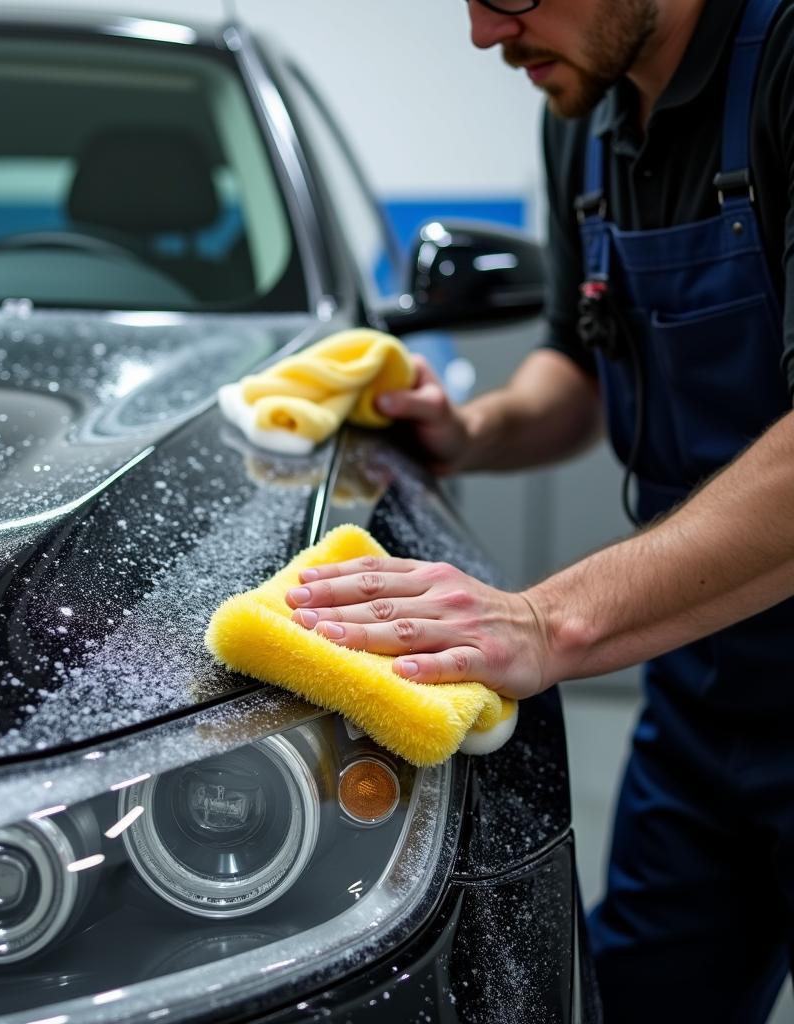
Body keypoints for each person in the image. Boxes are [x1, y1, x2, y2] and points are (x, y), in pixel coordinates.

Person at [285, 0, 794, 1020]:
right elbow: (581, 356)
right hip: (705, 699)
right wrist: (472, 430)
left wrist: (542, 618)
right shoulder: (584, 111)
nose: (483, 35)